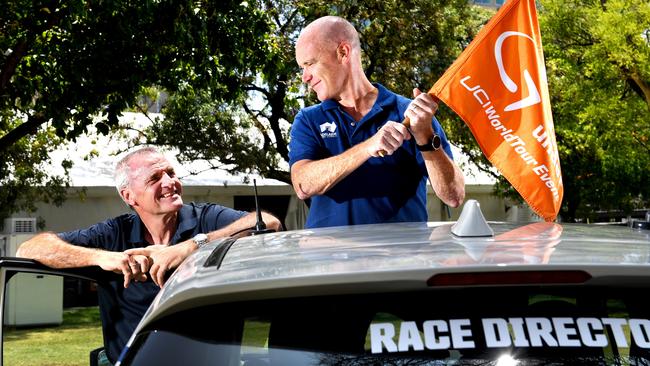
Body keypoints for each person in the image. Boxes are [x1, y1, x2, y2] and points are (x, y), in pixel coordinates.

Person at [16, 146, 282, 365]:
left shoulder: (206, 218)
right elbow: (30, 247)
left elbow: (269, 223)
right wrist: (103, 258)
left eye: (170, 173)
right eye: (155, 179)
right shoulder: (112, 234)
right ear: (129, 196)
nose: (170, 182)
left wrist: (193, 246)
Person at [289, 16, 465, 228]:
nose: (304, 77)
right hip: (329, 258)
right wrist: (368, 147)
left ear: (343, 52)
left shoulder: (410, 113)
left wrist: (425, 136)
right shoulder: (308, 119)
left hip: (401, 258)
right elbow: (303, 185)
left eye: (309, 64)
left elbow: (454, 196)